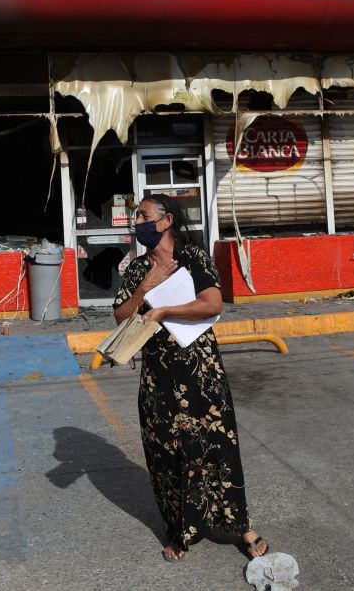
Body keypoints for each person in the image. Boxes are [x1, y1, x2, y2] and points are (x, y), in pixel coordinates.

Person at [112, 193, 269, 563]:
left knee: (218, 446)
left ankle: (241, 526)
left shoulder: (192, 257)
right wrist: (144, 290)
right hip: (159, 376)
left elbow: (212, 304)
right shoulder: (136, 269)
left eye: (144, 215)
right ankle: (179, 530)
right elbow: (121, 316)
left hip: (200, 371)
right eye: (136, 216)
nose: (138, 222)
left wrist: (165, 308)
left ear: (166, 221)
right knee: (165, 452)